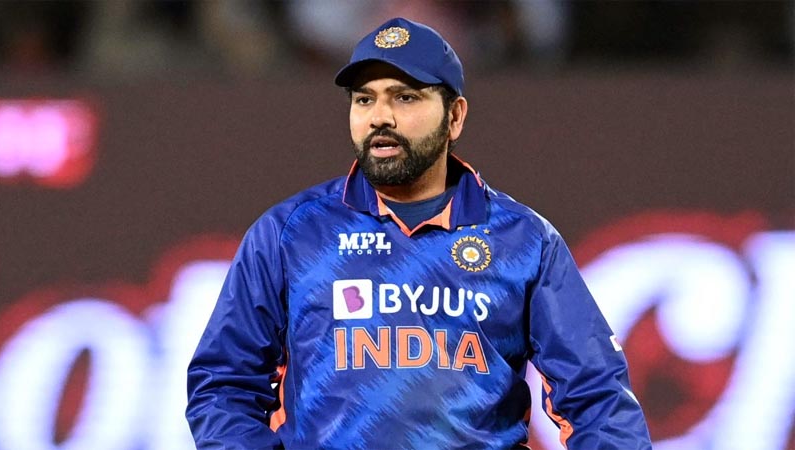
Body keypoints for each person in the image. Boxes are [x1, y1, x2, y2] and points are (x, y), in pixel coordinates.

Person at [186, 17, 653, 450]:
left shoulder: (524, 240)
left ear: (455, 117)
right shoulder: (292, 233)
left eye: (405, 97)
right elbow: (223, 383)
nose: (379, 116)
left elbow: (599, 398)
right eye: (364, 99)